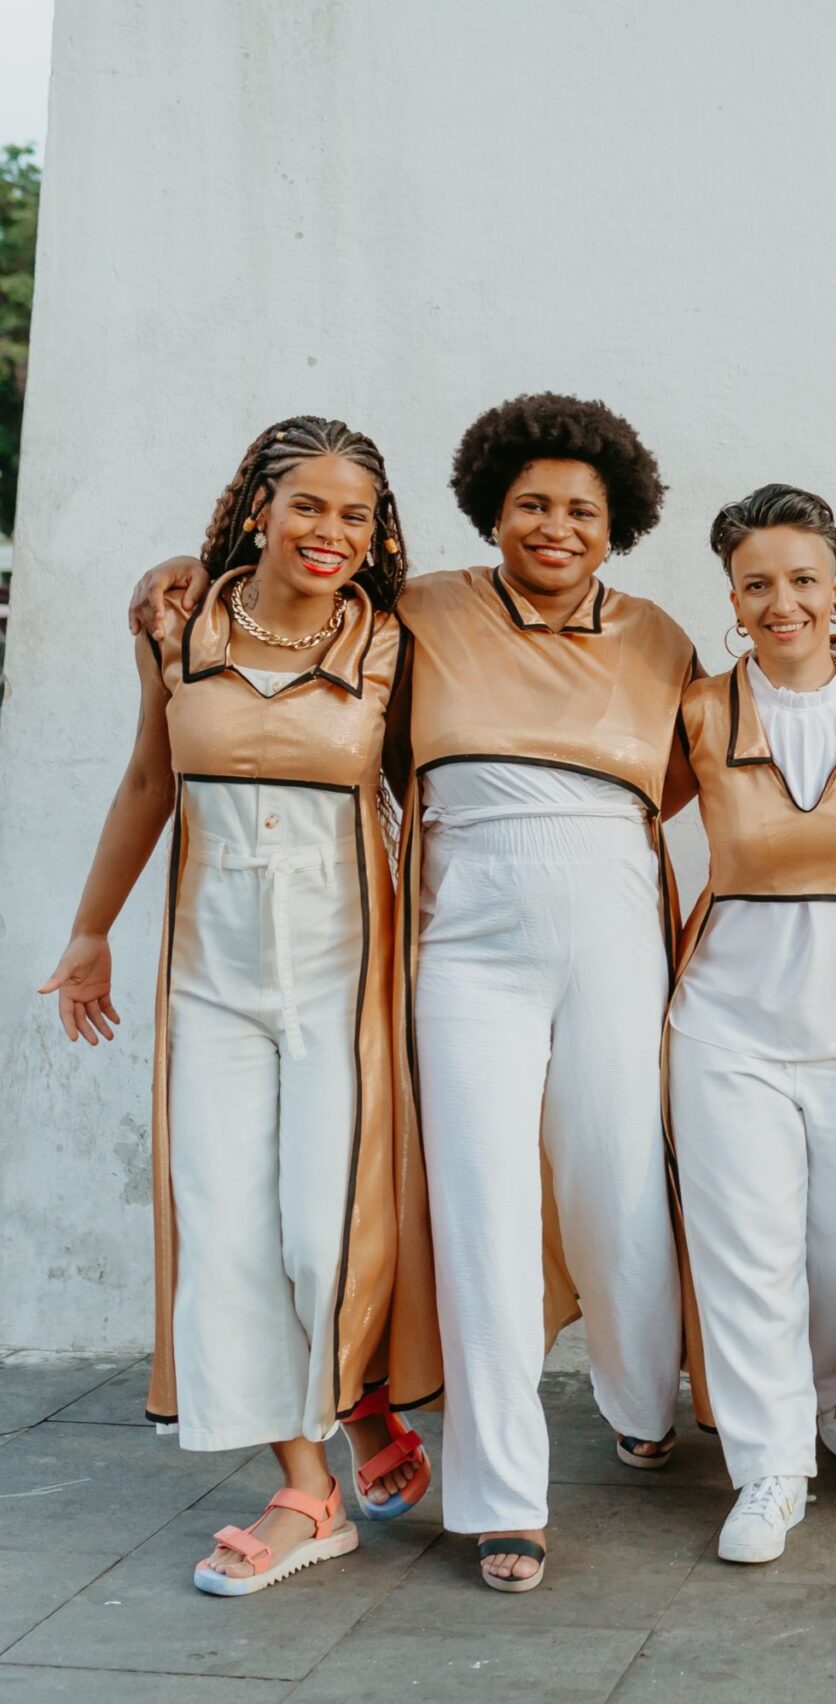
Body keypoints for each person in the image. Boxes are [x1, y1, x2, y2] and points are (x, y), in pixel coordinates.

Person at [122, 394, 814, 1590]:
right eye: (530, 504)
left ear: (616, 525)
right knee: (481, 1208)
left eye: (581, 510)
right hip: (465, 944)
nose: (555, 526)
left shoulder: (658, 639)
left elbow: (712, 757)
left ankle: (641, 1396)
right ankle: (502, 1499)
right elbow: (301, 601)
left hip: (612, 931)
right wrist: (181, 566)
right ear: (493, 512)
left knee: (616, 1189)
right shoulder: (425, 612)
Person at [47, 416, 435, 1595]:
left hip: (344, 976)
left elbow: (433, 797)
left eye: (355, 514)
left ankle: (359, 1398)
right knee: (221, 1232)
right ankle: (304, 1489)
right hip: (210, 980)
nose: (330, 532)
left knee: (322, 1233)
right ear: (259, 507)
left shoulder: (395, 642)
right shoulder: (178, 622)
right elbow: (147, 778)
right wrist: (89, 933)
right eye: (306, 504)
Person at [667, 485, 836, 1565]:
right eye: (757, 584)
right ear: (732, 598)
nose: (783, 603)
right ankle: (769, 1469)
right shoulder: (697, 712)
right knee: (748, 1253)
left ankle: (831, 1381)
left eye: (804, 580)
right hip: (725, 1026)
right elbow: (617, 804)